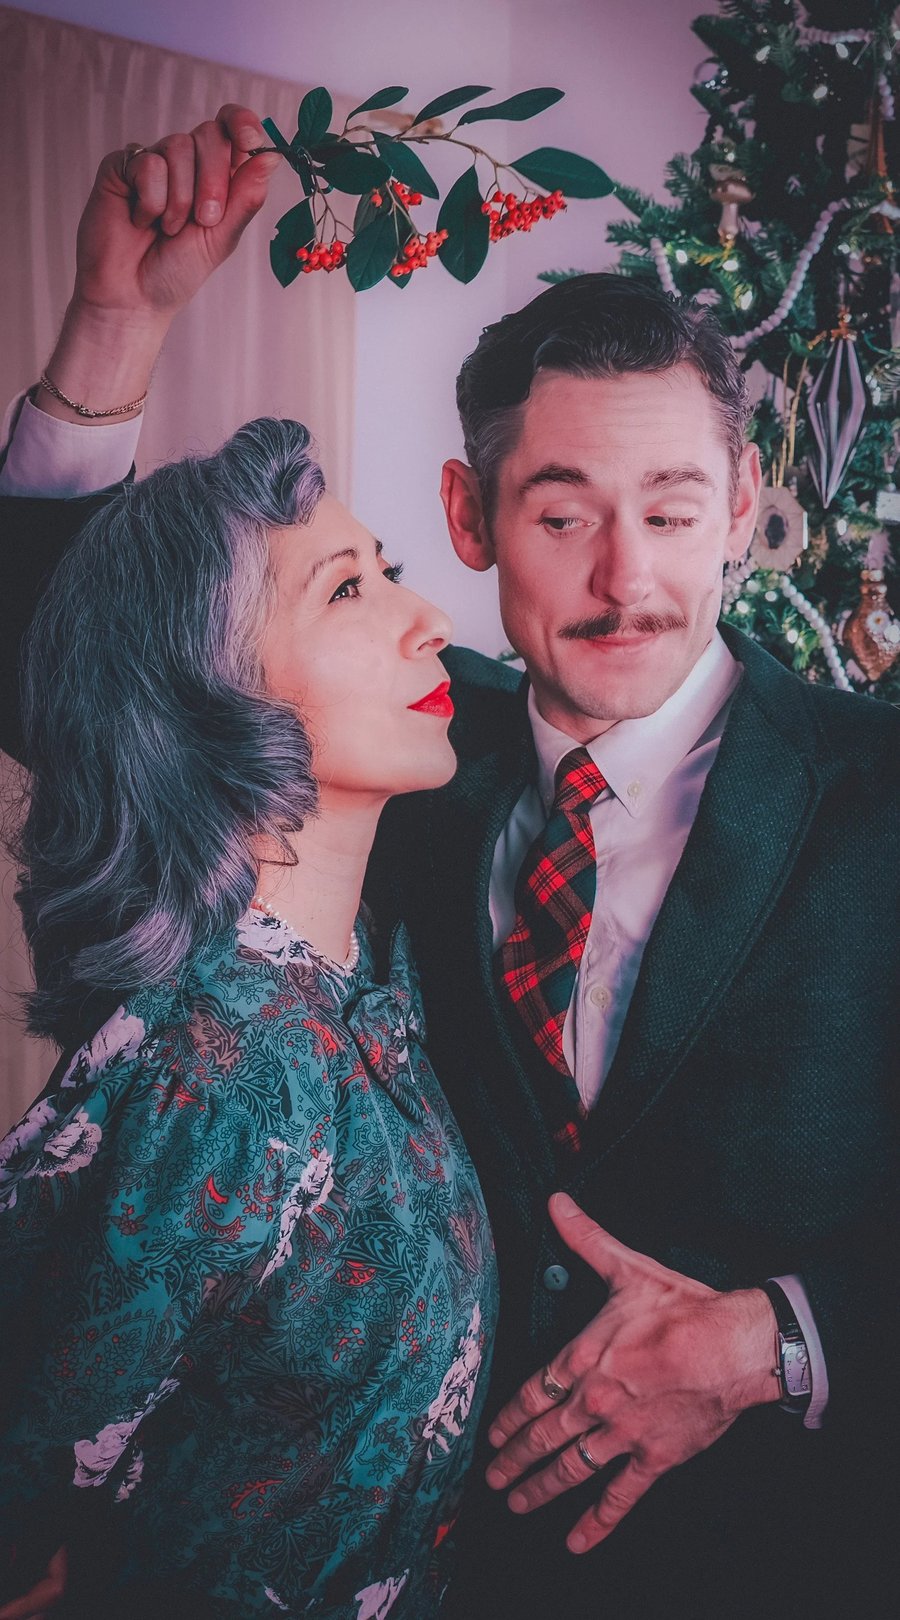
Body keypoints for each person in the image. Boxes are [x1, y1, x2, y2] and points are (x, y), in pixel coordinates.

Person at [2, 105, 897, 1619]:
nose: (628, 580)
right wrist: (112, 326)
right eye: (563, 516)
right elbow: (87, 664)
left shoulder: (879, 797)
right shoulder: (403, 750)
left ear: (744, 510)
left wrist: (791, 1339)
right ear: (469, 518)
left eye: (674, 512)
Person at [0, 315, 497, 1614]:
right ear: (204, 693)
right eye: (349, 589)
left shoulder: (359, 983)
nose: (431, 615)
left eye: (386, 570)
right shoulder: (215, 1077)